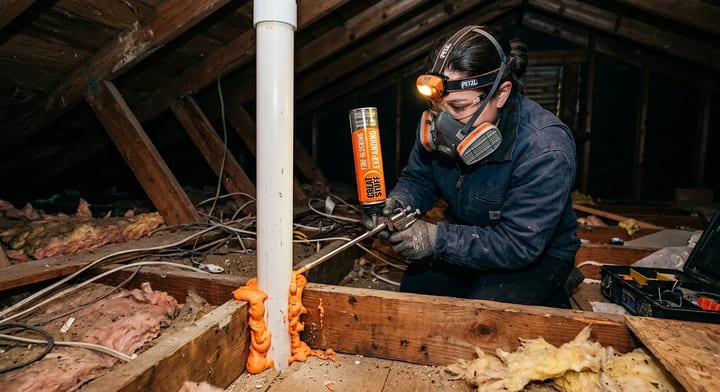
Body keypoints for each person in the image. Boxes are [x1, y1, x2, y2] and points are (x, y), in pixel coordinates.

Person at [364, 25, 581, 308]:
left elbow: (519, 243)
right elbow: (419, 179)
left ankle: (559, 282)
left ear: (501, 94)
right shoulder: (436, 123)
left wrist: (436, 240)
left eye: (460, 107)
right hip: (468, 235)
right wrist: (399, 203)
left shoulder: (544, 147)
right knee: (417, 290)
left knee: (487, 309)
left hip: (535, 252)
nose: (443, 121)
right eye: (437, 105)